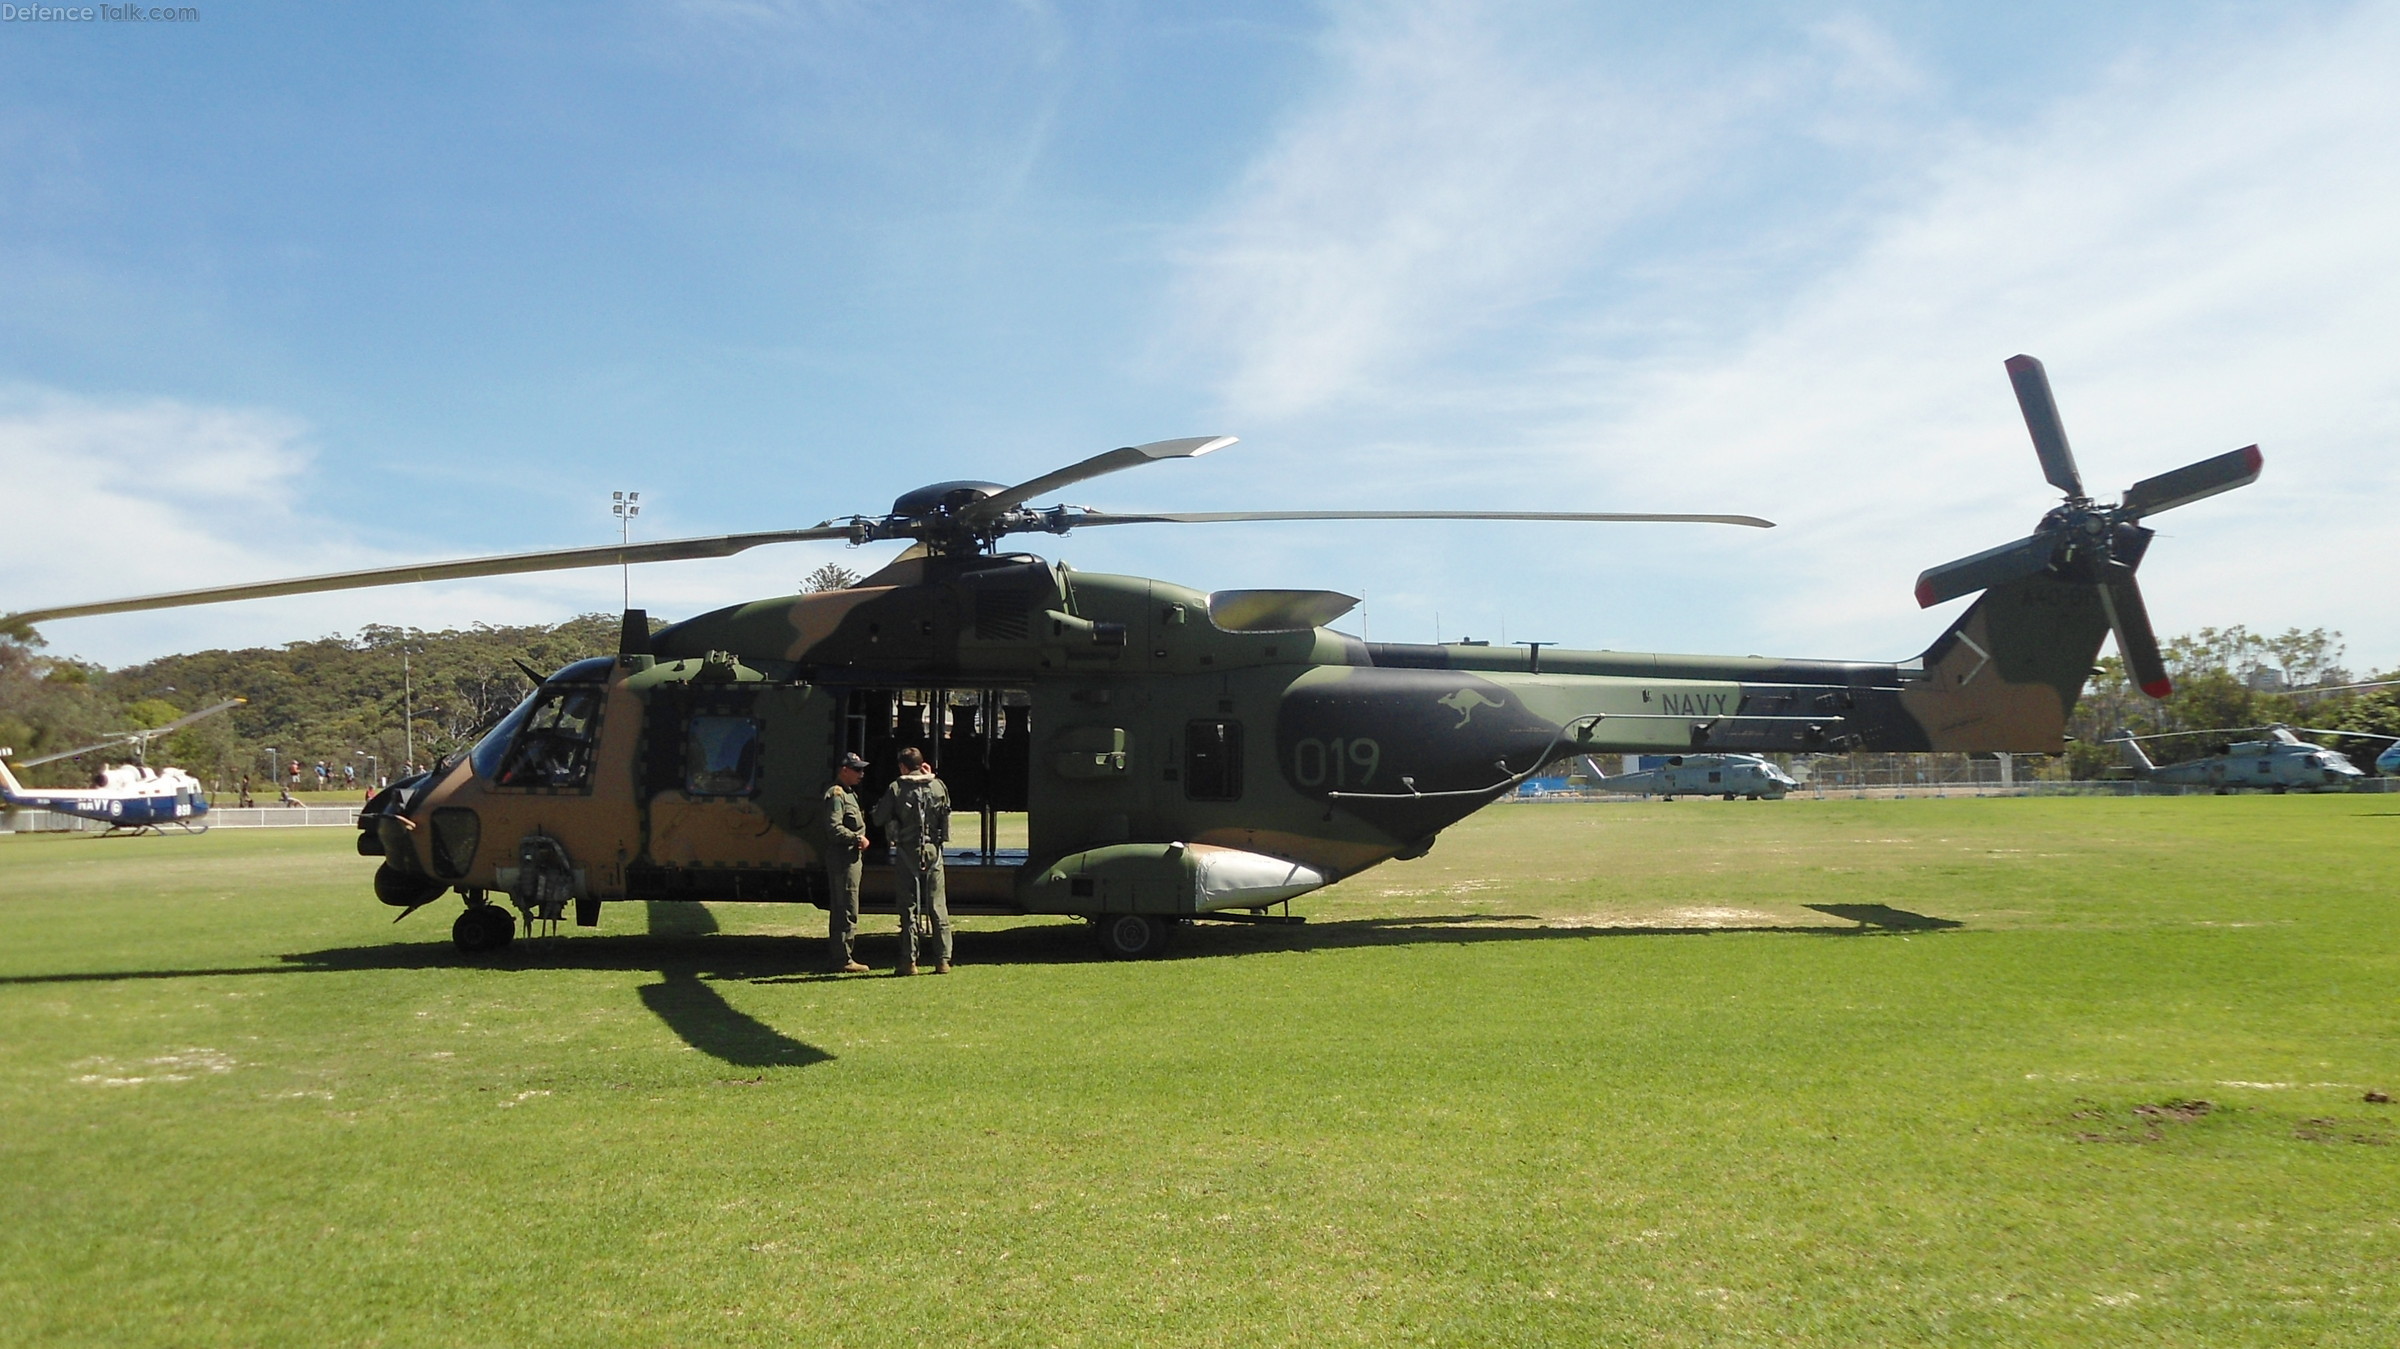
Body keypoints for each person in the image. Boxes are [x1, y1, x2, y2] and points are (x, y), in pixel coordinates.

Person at [870, 746, 952, 975]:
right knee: (937, 906)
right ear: (922, 763)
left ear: (903, 766)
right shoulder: (938, 785)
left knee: (909, 908)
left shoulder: (896, 788)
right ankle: (942, 960)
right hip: (933, 851)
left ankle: (909, 961)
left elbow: (879, 818)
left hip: (907, 851)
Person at [819, 752, 871, 974]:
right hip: (843, 859)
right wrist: (856, 838)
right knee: (845, 907)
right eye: (856, 769)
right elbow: (834, 828)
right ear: (844, 770)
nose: (861, 773)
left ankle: (843, 955)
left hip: (850, 858)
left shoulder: (850, 794)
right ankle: (842, 958)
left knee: (848, 906)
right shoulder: (837, 795)